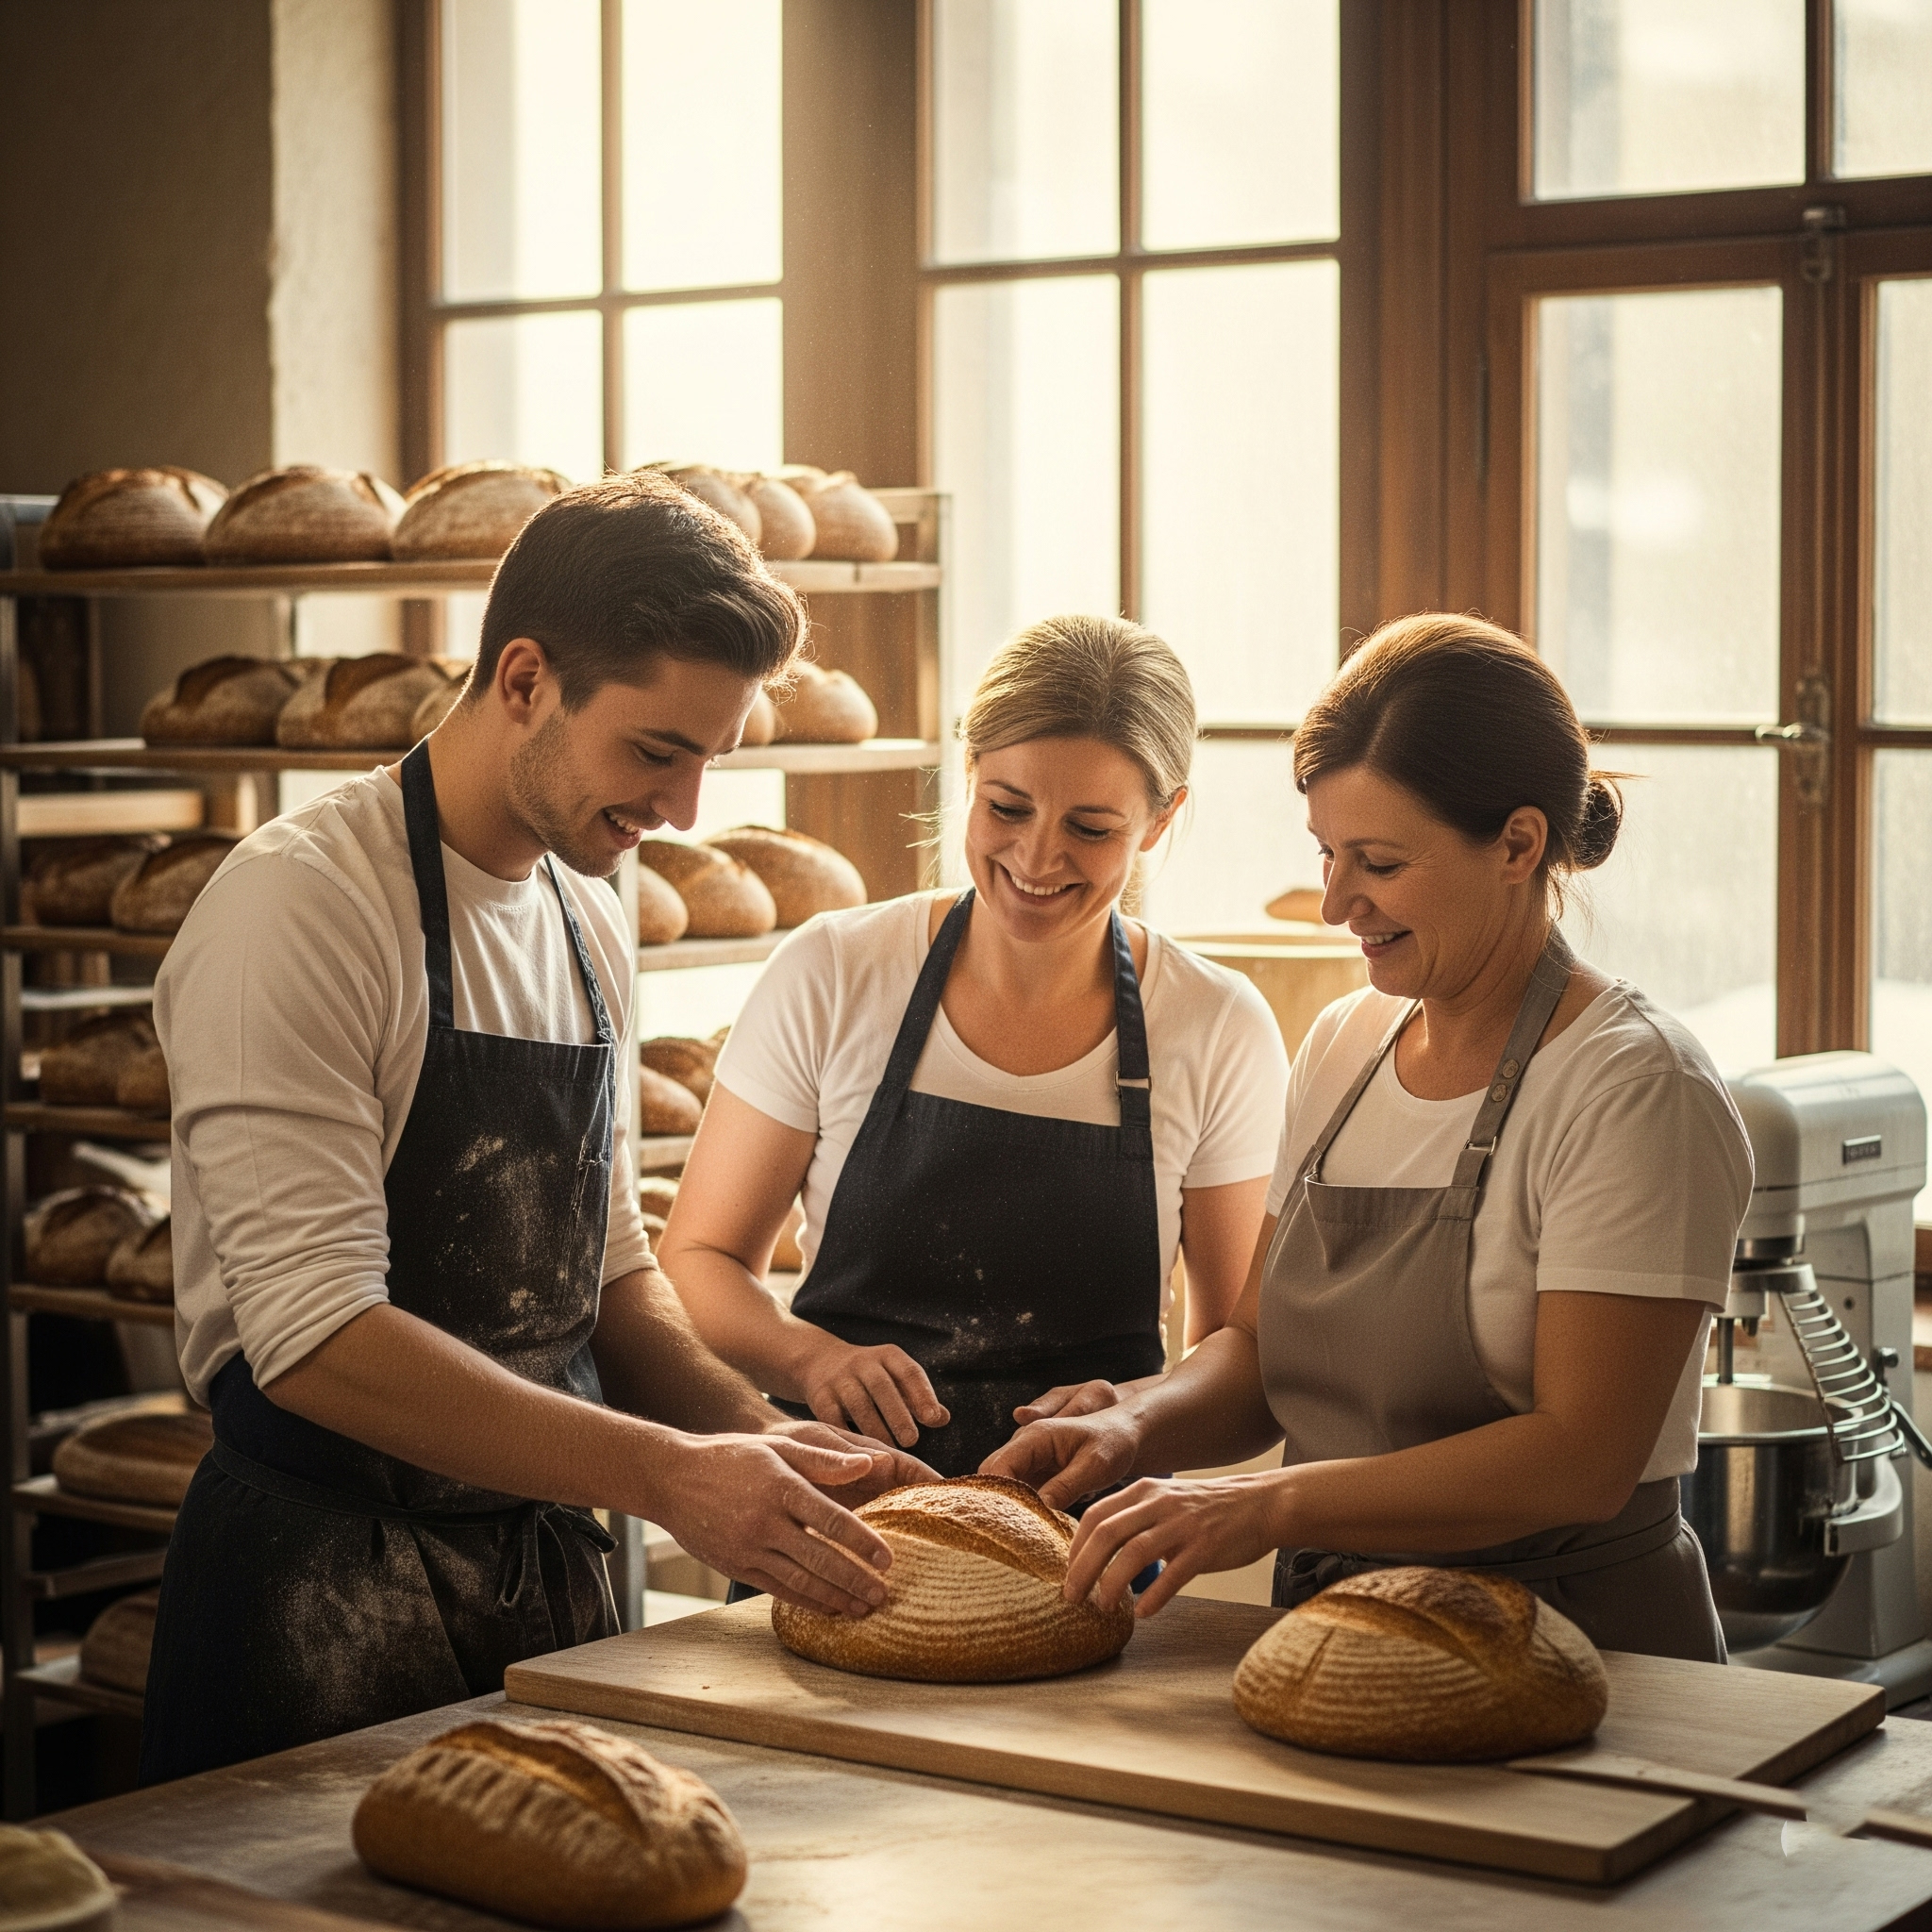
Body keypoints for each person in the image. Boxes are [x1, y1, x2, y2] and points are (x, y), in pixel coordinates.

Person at [141, 474, 931, 1785]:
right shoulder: (303, 910)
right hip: (316, 1592)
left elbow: (600, 1261)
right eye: (654, 752)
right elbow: (314, 1338)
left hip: (547, 1586)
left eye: (707, 762)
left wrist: (744, 1433)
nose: (681, 814)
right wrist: (671, 1479)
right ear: (523, 679)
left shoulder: (586, 904)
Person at [987, 613, 1752, 1661]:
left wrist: (1259, 1506)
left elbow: (1579, 1458)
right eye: (1326, 854)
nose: (1335, 902)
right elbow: (1256, 1355)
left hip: (1578, 1650)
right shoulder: (1345, 1045)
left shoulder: (1634, 1087)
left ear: (1517, 844)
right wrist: (1135, 1421)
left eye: (1379, 863)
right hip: (1334, 1636)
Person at [658, 615, 1289, 1481]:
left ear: (1161, 817)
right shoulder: (835, 972)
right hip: (839, 1519)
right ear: (968, 773)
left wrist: (1141, 1414)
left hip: (1084, 1546)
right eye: (1007, 808)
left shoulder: (1217, 1024)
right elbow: (698, 1262)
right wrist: (808, 1360)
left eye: (1092, 828)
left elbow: (1239, 1350)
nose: (1037, 857)